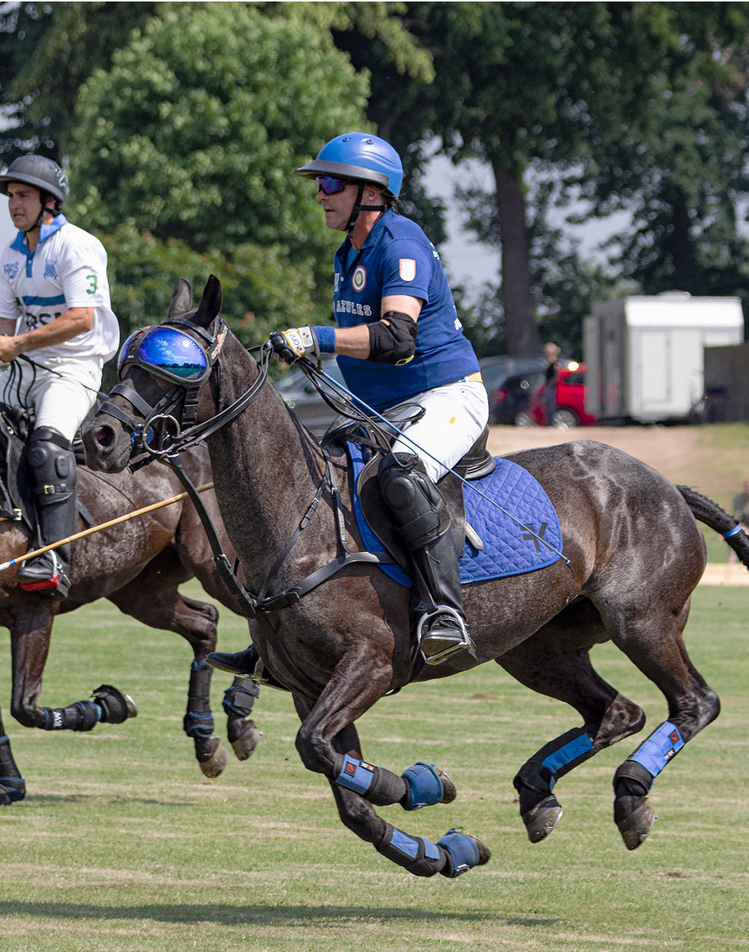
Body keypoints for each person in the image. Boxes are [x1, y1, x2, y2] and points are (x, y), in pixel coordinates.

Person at [220, 132, 487, 670]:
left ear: (373, 191)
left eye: (331, 182)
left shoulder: (401, 242)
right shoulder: (350, 253)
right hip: (379, 412)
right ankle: (275, 631)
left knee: (404, 474)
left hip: (446, 396)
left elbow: (395, 338)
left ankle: (442, 613)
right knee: (303, 479)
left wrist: (316, 338)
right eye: (320, 182)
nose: (320, 193)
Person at [0, 154, 120, 597]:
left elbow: (82, 319)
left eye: (23, 195)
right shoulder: (12, 255)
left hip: (73, 368)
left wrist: (15, 346)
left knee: (46, 448)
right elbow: (1, 321)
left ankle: (53, 557)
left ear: (49, 201)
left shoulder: (77, 245)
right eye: (11, 196)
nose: (14, 204)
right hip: (25, 369)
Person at [537, 341, 562, 426]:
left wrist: (551, 383)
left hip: (552, 387)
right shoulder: (549, 361)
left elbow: (557, 374)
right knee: (547, 405)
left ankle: (551, 422)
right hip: (548, 386)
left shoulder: (555, 362)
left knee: (551, 405)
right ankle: (548, 422)